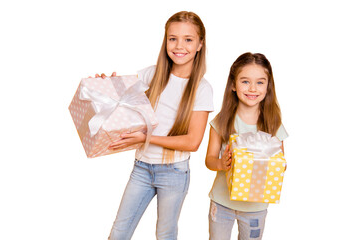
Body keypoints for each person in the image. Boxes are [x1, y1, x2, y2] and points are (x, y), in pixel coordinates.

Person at [97, 11, 213, 239]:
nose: (179, 45)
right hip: (142, 167)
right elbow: (120, 102)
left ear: (200, 44)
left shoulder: (202, 89)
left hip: (174, 172)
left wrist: (146, 138)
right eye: (173, 38)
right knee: (119, 232)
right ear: (166, 40)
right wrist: (105, 86)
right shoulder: (151, 74)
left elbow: (192, 142)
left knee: (165, 234)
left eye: (188, 39)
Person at [205, 52, 288, 240]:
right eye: (245, 81)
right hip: (222, 202)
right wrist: (221, 164)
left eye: (260, 82)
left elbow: (281, 164)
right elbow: (209, 160)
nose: (252, 88)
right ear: (233, 85)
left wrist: (269, 164)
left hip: (255, 208)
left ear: (268, 86)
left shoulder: (273, 124)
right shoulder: (222, 121)